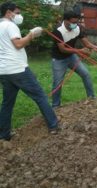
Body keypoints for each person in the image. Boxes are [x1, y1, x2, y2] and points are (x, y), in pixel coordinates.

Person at [0, 1, 60, 141]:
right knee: (40, 95)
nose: (19, 16)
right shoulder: (10, 25)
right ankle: (54, 125)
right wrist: (32, 34)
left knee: (7, 102)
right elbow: (19, 44)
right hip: (17, 69)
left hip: (3, 71)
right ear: (9, 12)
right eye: (17, 13)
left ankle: (4, 134)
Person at [51, 10, 97, 108]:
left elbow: (86, 43)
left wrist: (95, 47)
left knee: (86, 74)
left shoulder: (77, 29)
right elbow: (63, 49)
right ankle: (55, 106)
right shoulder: (58, 31)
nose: (75, 24)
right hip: (58, 59)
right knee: (58, 83)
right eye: (73, 22)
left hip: (71, 57)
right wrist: (80, 51)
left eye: (77, 22)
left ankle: (91, 98)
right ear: (65, 20)